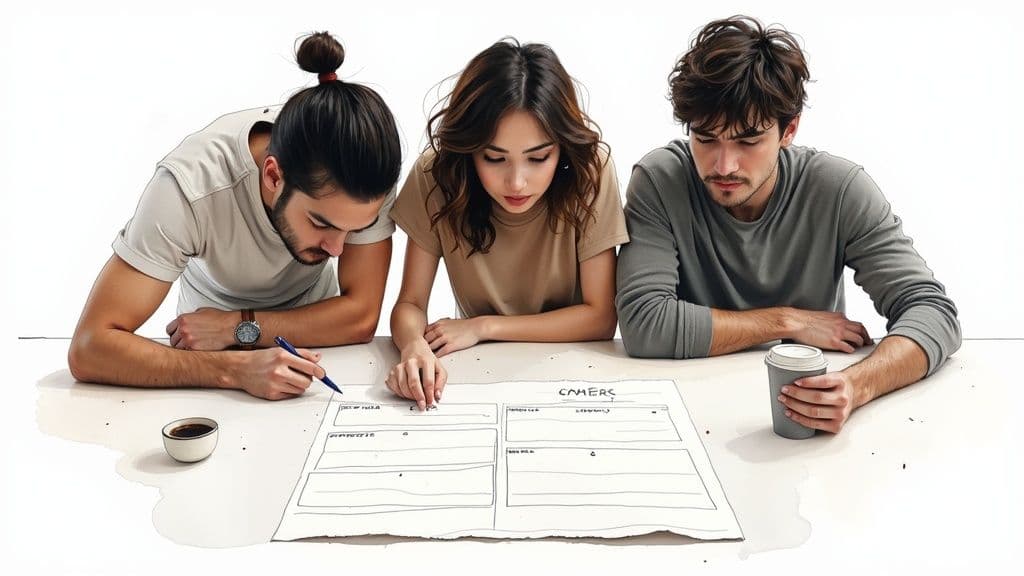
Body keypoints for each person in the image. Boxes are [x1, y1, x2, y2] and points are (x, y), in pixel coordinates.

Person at [616, 16, 961, 434]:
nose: (724, 165)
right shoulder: (661, 179)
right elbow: (643, 326)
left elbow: (931, 311)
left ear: (788, 130)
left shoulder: (838, 189)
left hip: (809, 422)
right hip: (688, 414)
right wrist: (788, 322)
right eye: (705, 138)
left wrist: (857, 386)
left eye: (747, 141)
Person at [68, 32, 402, 400]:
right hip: (204, 348)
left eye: (355, 229)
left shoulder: (367, 177)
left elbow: (360, 316)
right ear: (274, 176)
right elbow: (90, 347)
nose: (338, 248)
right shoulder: (190, 187)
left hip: (319, 343)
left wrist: (240, 327)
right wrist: (235, 369)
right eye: (321, 224)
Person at [386, 39, 629, 410]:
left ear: (562, 148)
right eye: (494, 158)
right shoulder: (437, 175)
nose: (517, 183)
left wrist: (484, 327)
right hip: (478, 374)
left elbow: (600, 317)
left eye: (538, 158)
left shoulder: (590, 172)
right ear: (469, 151)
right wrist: (413, 346)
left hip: (576, 369)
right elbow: (410, 303)